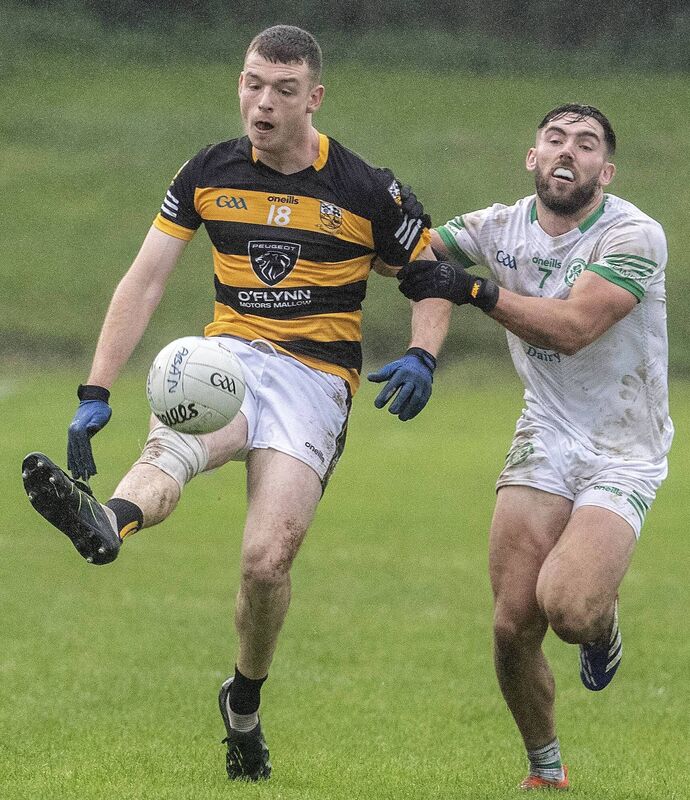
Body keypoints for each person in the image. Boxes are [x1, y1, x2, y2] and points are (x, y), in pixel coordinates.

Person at [21, 25, 449, 782]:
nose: (264, 102)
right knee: (175, 450)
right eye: (253, 83)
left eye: (284, 90)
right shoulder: (207, 171)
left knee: (265, 562)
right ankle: (106, 522)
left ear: (313, 97)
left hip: (317, 378)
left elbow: (430, 274)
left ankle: (243, 704)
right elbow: (145, 279)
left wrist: (423, 351)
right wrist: (95, 388)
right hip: (229, 359)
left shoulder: (363, 187)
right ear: (239, 85)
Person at [379, 104, 673, 790]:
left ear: (606, 170)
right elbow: (415, 260)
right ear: (532, 158)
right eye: (555, 139)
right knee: (514, 623)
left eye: (587, 144)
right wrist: (424, 344)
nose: (569, 151)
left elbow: (572, 327)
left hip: (623, 444)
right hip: (546, 429)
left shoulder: (634, 234)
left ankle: (601, 625)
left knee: (567, 608)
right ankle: (546, 772)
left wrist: (475, 289)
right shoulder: (499, 226)